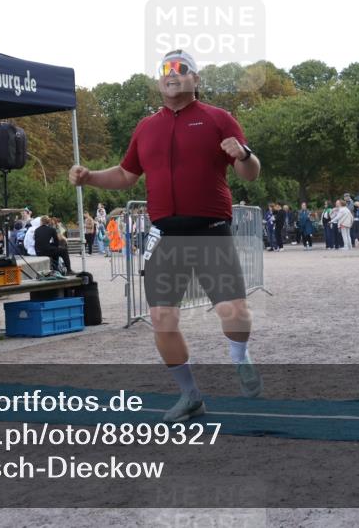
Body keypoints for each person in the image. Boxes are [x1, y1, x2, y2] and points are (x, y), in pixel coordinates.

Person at [68, 48, 262, 423]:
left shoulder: (218, 119)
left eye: (181, 68)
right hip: (166, 236)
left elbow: (250, 173)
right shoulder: (146, 127)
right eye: (165, 69)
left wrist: (243, 154)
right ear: (159, 80)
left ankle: (240, 357)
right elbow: (126, 175)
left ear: (195, 79)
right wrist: (90, 177)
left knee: (234, 312)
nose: (172, 73)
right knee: (161, 319)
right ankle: (190, 396)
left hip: (210, 232)